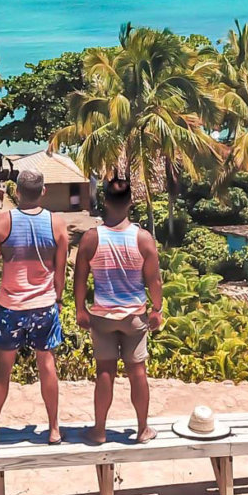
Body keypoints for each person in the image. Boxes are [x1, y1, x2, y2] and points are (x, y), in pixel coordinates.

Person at [0, 169, 69, 447]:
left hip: (10, 306)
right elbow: (61, 271)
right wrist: (59, 299)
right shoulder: (57, 224)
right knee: (47, 365)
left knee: (2, 369)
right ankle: (54, 429)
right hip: (44, 305)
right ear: (43, 192)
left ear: (16, 191)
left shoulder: (2, 223)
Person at [74, 176, 163, 444]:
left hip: (102, 316)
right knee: (138, 372)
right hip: (134, 316)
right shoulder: (143, 239)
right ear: (130, 203)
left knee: (105, 371)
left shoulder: (91, 238)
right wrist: (156, 309)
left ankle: (99, 430)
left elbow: (79, 278)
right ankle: (142, 429)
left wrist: (80, 309)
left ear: (104, 202)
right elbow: (154, 280)